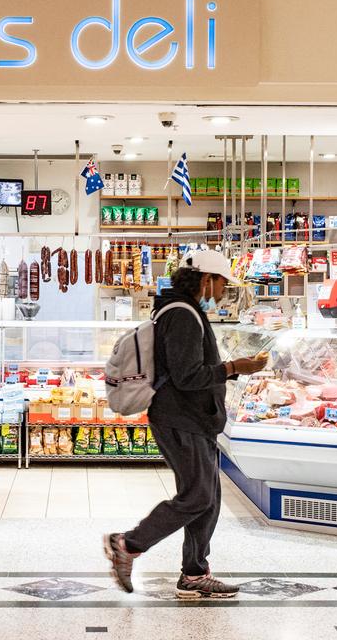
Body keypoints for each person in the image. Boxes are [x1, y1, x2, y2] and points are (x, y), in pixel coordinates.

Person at [104, 250, 269, 599]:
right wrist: (235, 367)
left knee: (208, 499)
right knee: (197, 496)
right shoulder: (181, 314)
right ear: (206, 279)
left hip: (195, 420)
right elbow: (187, 375)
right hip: (180, 420)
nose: (224, 290)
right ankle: (127, 544)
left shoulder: (184, 309)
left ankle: (194, 574)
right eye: (223, 282)